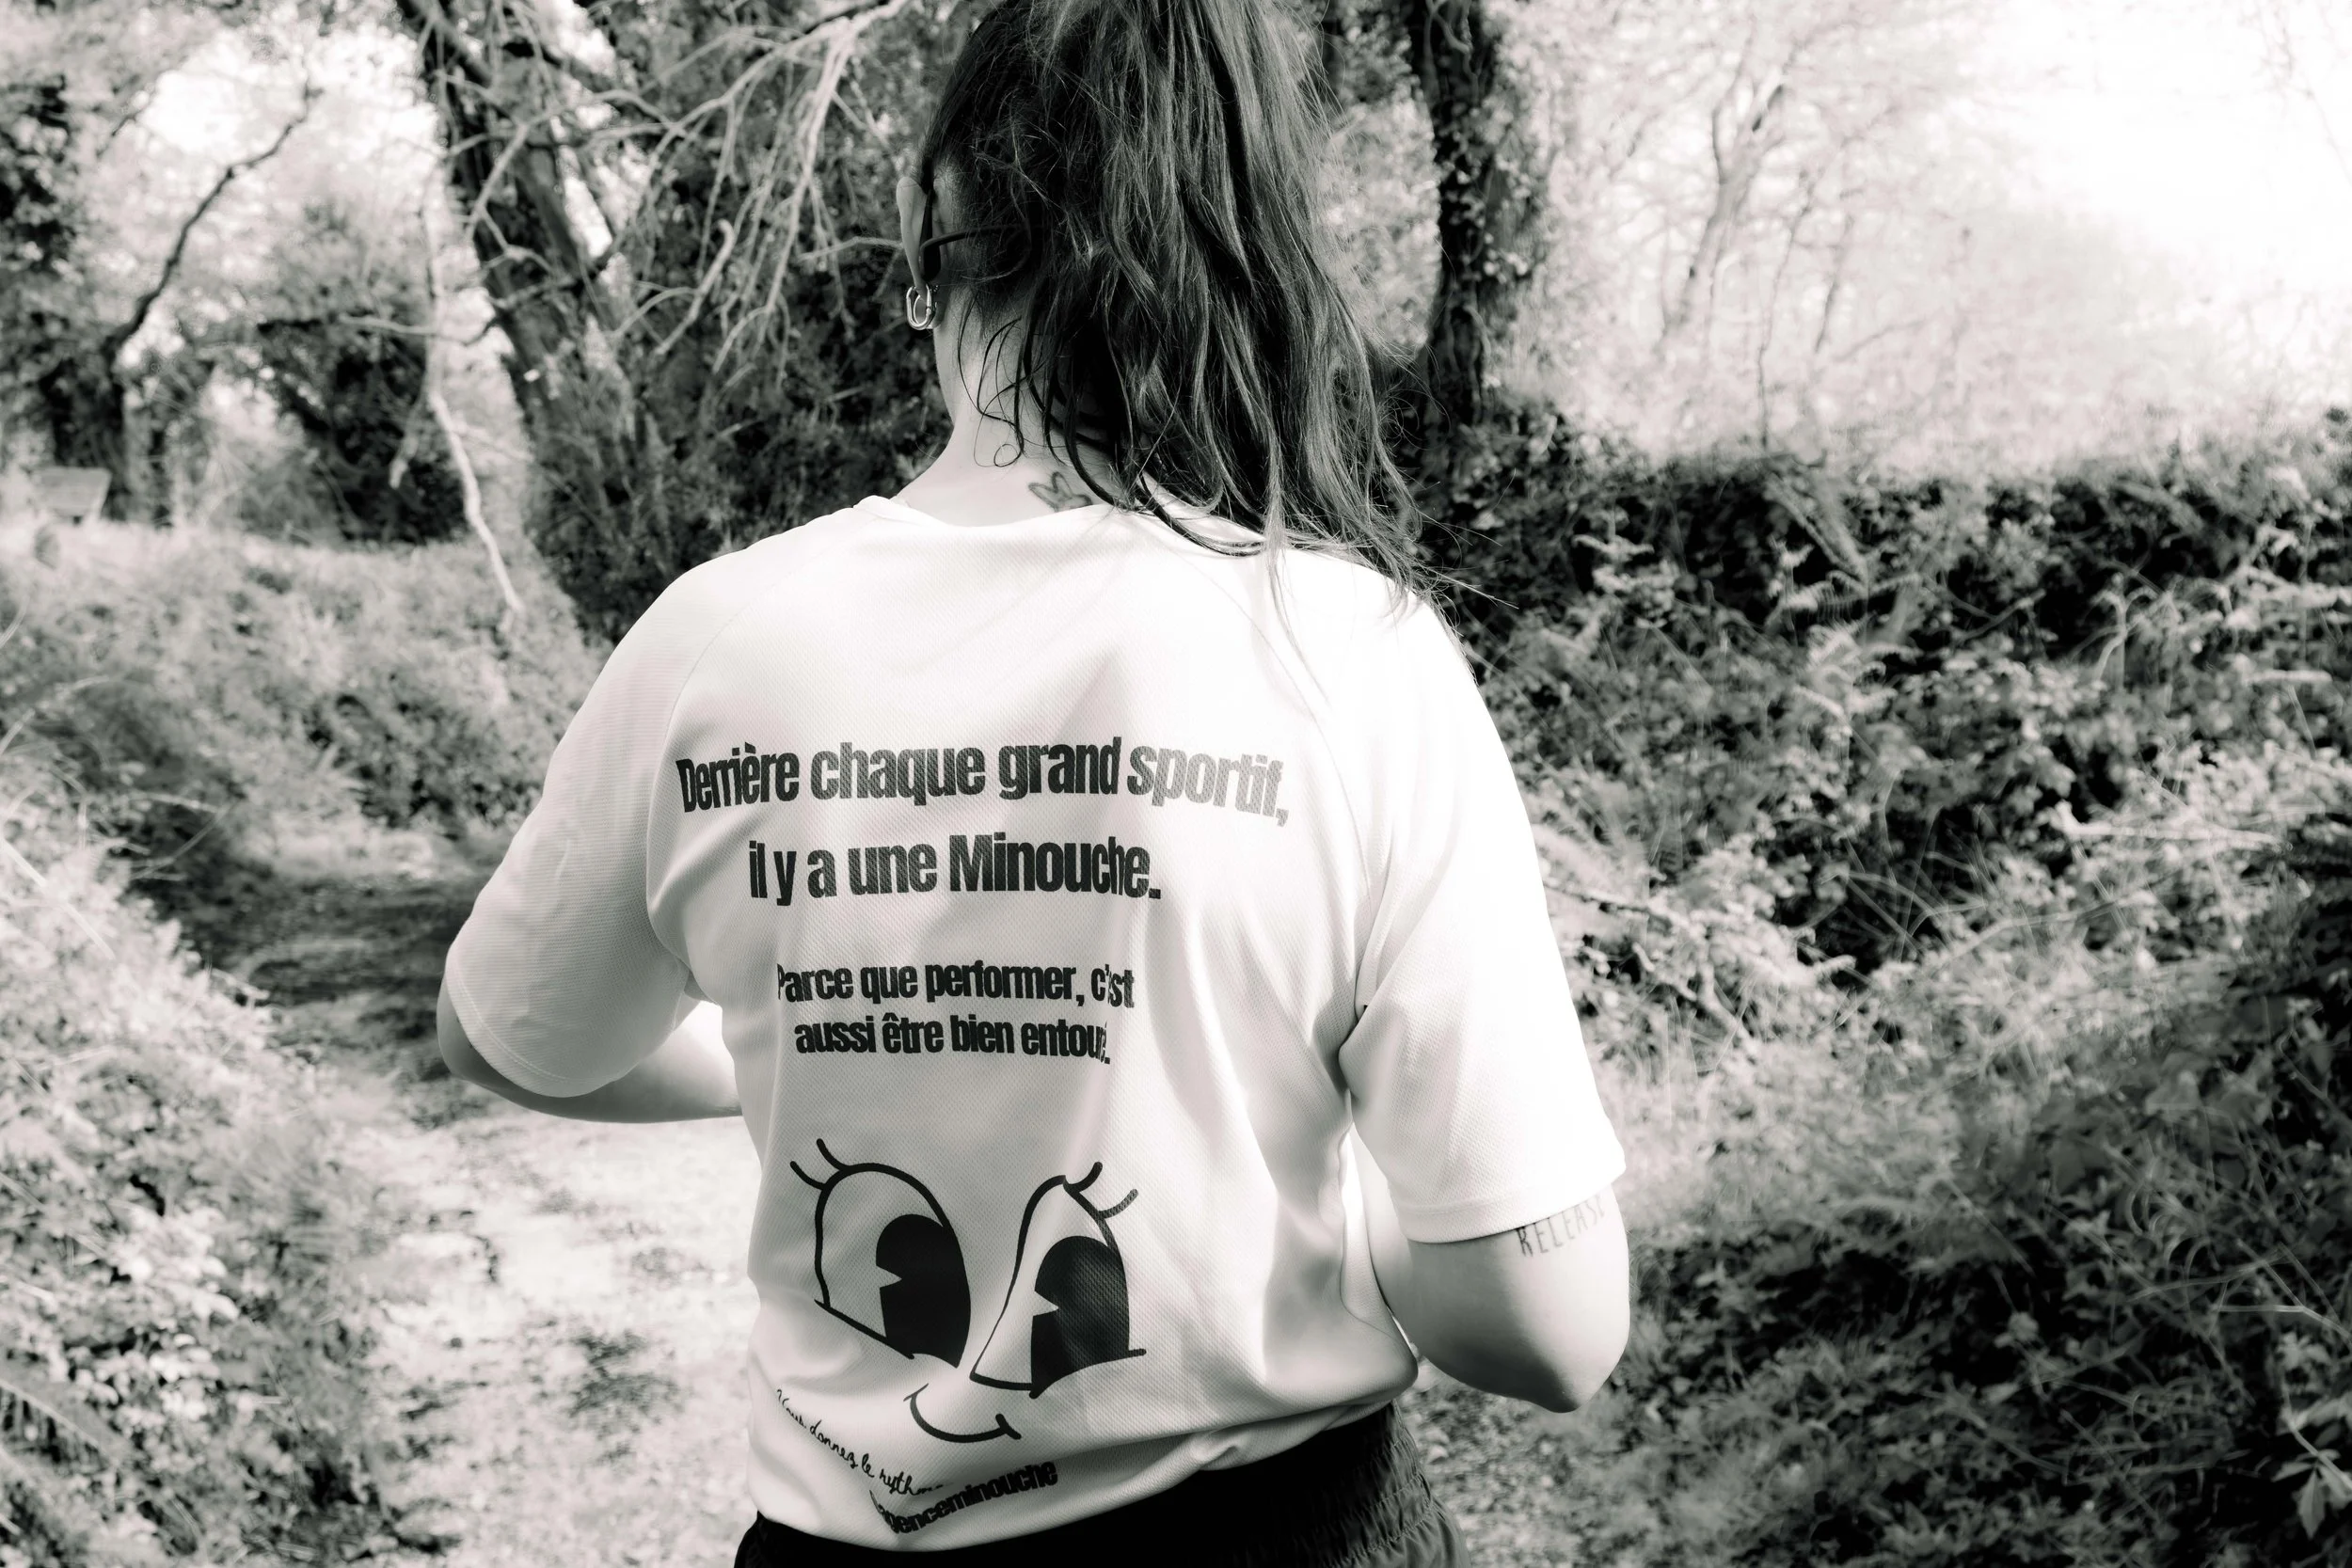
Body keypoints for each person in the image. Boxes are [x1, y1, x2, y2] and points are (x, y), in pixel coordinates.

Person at [434, 0, 1630, 1560]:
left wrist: (793, 1046)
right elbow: (1547, 1321)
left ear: (936, 231)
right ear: (1265, 254)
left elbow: (509, 1035)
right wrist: (1292, 1221)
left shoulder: (715, 640)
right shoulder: (1345, 652)